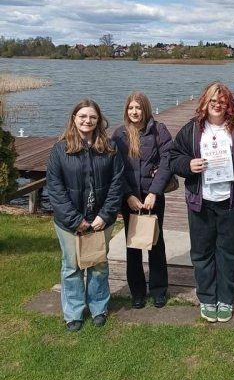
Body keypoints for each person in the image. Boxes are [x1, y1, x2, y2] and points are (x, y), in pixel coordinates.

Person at [170, 81, 234, 323]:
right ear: (205, 103)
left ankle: (225, 298)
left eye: (222, 101)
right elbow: (174, 158)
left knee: (229, 253)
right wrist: (188, 165)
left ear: (229, 104)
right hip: (200, 201)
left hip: (231, 201)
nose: (217, 105)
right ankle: (208, 297)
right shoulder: (192, 129)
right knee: (202, 252)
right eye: (212, 101)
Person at [46, 99, 124, 332]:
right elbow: (55, 188)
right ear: (74, 118)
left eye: (92, 117)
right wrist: (75, 220)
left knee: (99, 264)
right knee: (72, 267)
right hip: (69, 223)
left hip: (101, 221)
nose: (87, 120)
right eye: (82, 116)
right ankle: (74, 312)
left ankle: (99, 307)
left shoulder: (109, 148)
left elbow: (117, 184)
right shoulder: (60, 150)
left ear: (98, 120)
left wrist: (105, 215)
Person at [112, 91, 173, 309]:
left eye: (138, 107)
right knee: (133, 246)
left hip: (152, 198)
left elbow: (167, 160)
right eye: (131, 108)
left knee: (156, 243)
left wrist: (154, 192)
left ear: (145, 109)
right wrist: (128, 195)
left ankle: (158, 290)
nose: (134, 112)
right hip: (130, 199)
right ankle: (137, 292)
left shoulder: (159, 131)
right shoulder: (119, 135)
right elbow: (115, 168)